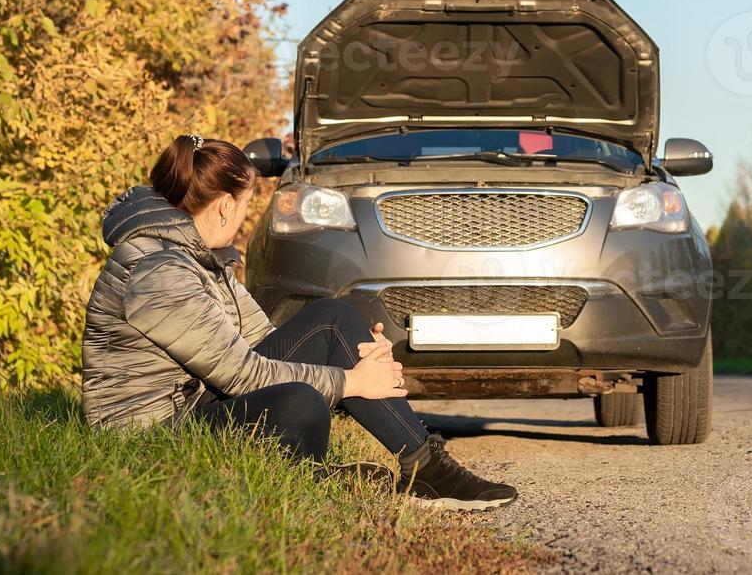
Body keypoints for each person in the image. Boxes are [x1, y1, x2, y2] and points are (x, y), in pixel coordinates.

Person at [81, 134, 517, 510]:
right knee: (298, 403)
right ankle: (318, 477)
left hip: (193, 403)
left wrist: (362, 355)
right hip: (153, 434)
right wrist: (352, 383)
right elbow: (245, 375)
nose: (242, 220)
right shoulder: (160, 272)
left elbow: (266, 341)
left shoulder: (197, 259)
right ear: (222, 207)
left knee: (333, 319)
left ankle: (423, 466)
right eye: (245, 207)